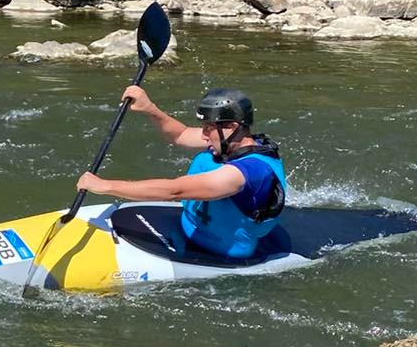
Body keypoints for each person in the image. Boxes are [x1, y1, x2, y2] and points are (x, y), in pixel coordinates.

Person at [76, 86, 287, 259]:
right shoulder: (228, 141)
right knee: (206, 158)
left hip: (218, 254)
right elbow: (181, 134)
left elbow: (174, 191)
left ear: (232, 126)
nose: (203, 136)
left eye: (208, 128)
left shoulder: (247, 173)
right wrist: (149, 108)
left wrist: (106, 186)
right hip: (188, 230)